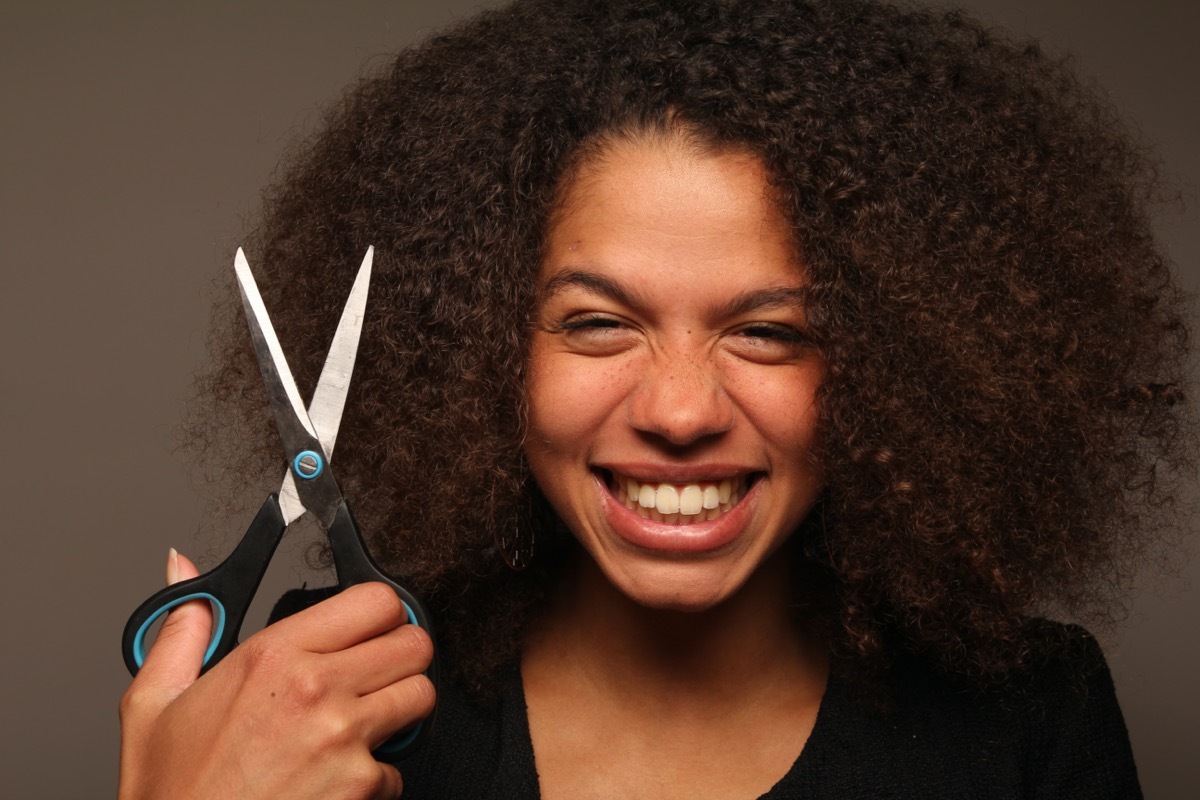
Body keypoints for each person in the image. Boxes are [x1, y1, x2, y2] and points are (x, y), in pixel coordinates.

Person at [118, 0, 1194, 797]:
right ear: (478, 349)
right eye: (597, 322)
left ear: (896, 364)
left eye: (770, 331)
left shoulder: (1029, 722)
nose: (681, 412)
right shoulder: (318, 696)